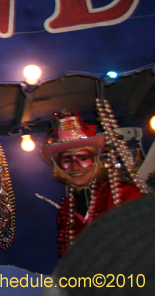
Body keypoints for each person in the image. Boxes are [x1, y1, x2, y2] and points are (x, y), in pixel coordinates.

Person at [39, 110, 143, 256]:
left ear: (96, 161)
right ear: (59, 167)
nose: (75, 167)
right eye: (67, 160)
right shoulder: (65, 213)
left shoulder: (124, 194)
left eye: (82, 158)